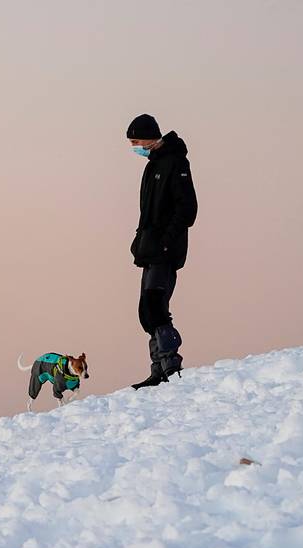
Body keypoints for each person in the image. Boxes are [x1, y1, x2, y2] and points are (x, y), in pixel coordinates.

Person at [126, 113, 198, 389]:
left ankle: (170, 363)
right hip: (150, 250)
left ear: (150, 137)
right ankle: (157, 367)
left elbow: (187, 209)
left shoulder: (175, 162)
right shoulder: (153, 165)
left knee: (155, 305)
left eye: (136, 141)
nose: (135, 147)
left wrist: (166, 241)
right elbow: (148, 214)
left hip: (166, 250)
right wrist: (139, 241)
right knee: (146, 309)